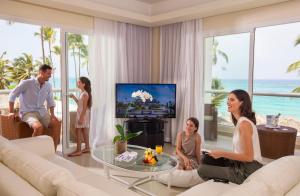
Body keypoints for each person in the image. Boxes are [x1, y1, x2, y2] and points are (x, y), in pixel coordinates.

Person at [198, 89, 263, 184]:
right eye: (228, 100)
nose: (228, 102)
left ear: (242, 103)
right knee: (206, 159)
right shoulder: (240, 122)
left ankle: (226, 184)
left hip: (248, 170)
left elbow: (249, 157)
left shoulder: (244, 124)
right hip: (240, 163)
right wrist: (219, 154)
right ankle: (223, 177)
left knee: (202, 170)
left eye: (232, 100)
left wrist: (222, 153)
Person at [8, 64, 61, 150]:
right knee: (39, 127)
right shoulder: (27, 83)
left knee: (57, 124)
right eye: (48, 74)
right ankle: (32, 152)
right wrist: (11, 112)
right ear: (41, 72)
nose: (50, 76)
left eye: (50, 74)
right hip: (28, 112)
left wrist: (53, 115)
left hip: (42, 112)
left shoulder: (48, 86)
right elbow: (12, 95)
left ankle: (53, 151)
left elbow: (50, 100)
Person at [68, 77, 92, 157]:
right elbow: (79, 103)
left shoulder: (85, 94)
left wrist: (81, 118)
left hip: (82, 114)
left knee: (78, 131)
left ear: (83, 84)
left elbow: (85, 107)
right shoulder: (82, 93)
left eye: (79, 82)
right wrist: (73, 97)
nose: (77, 83)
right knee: (84, 131)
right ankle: (87, 148)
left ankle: (78, 150)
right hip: (82, 113)